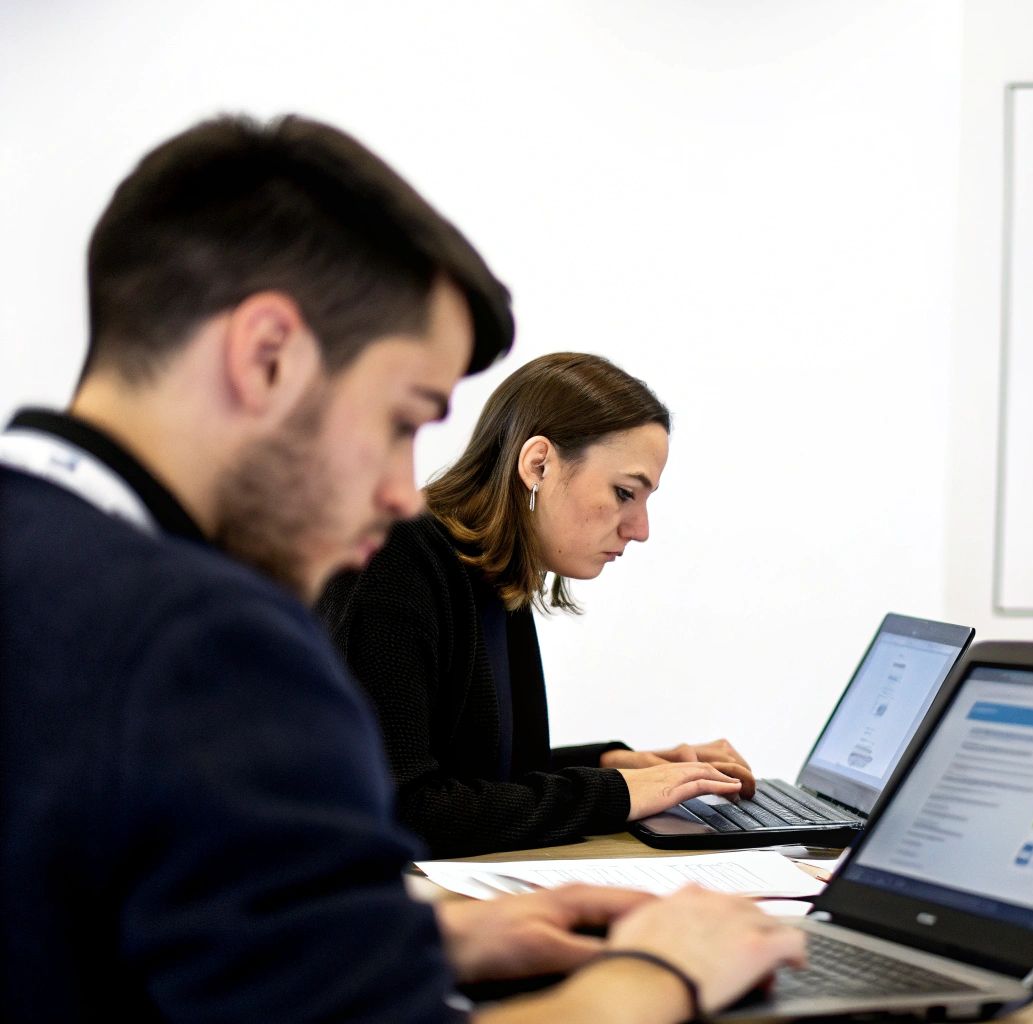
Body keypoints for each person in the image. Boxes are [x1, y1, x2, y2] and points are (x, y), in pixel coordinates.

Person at [0, 113, 802, 1022]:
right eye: (401, 420)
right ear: (266, 357)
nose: (397, 491)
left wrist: (433, 937)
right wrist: (663, 973)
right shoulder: (201, 639)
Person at [319, 352, 757, 858]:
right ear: (538, 464)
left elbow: (487, 774)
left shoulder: (496, 577)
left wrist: (616, 764)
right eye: (623, 493)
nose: (640, 530)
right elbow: (403, 807)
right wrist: (615, 793)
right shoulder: (398, 559)